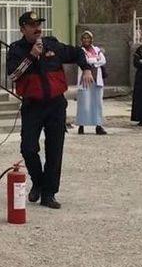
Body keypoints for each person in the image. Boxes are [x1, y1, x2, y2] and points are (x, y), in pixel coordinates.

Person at [7, 11, 94, 209]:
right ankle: (38, 181)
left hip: (55, 105)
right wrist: (32, 55)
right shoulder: (16, 49)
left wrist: (86, 68)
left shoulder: (52, 44)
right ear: (22, 29)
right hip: (32, 106)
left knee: (55, 150)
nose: (37, 28)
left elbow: (77, 52)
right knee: (28, 148)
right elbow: (13, 75)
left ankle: (49, 193)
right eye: (31, 25)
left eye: (38, 24)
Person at [76, 31, 107, 135]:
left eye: (88, 38)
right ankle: (81, 125)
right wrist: (95, 60)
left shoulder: (97, 49)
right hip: (84, 80)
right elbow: (85, 61)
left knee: (97, 103)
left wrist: (92, 61)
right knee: (84, 103)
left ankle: (98, 125)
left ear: (91, 39)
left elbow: (103, 61)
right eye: (84, 38)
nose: (86, 40)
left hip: (96, 80)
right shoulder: (80, 50)